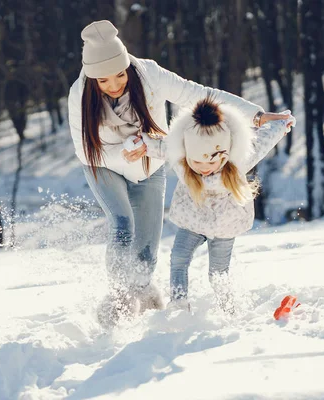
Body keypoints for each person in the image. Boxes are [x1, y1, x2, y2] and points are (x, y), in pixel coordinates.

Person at [67, 19, 289, 324]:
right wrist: (126, 150)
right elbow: (84, 149)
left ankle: (143, 295)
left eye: (120, 75)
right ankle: (119, 299)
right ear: (93, 79)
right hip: (102, 163)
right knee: (122, 223)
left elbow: (199, 94)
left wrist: (257, 116)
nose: (115, 85)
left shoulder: (149, 75)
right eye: (104, 81)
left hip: (149, 163)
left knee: (147, 245)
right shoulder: (79, 95)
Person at [164, 96, 295, 313]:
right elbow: (160, 146)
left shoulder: (238, 161)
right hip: (193, 220)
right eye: (197, 162)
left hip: (225, 225)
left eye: (212, 161)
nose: (204, 168)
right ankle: (178, 304)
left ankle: (228, 309)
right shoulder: (182, 162)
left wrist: (281, 124)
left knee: (218, 273)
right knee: (178, 257)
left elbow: (263, 141)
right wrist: (140, 143)